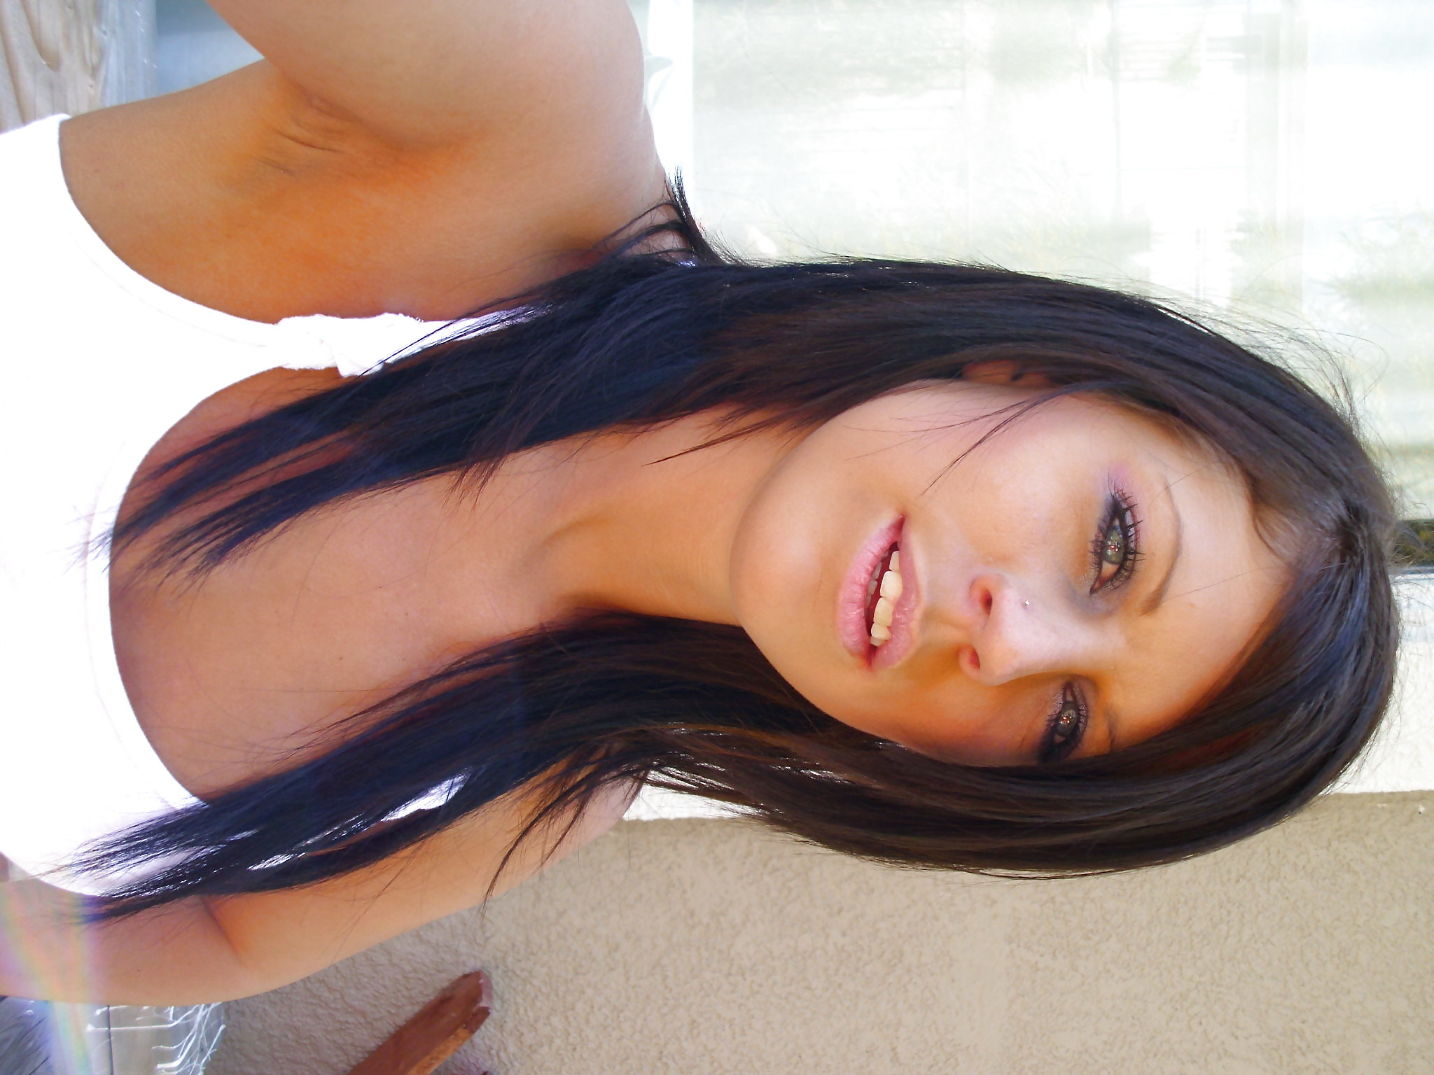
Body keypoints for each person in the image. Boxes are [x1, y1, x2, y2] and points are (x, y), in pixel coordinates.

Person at [0, 1, 1397, 1005]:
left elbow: (215, 941)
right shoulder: (526, 110)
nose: (1012, 642)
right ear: (1037, 370)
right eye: (1112, 546)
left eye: (1064, 725)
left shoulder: (512, 798)